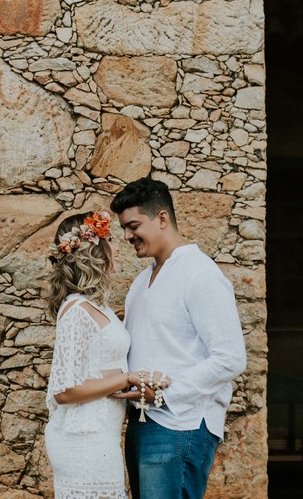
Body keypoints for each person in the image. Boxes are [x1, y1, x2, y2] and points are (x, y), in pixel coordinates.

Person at [109, 178, 247, 499]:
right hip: (143, 422)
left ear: (161, 218)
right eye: (124, 229)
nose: (127, 236)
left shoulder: (201, 274)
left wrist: (164, 396)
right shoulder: (142, 281)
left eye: (133, 226)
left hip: (181, 425)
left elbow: (230, 357)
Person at [43, 210, 167, 499]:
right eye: (109, 239)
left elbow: (100, 367)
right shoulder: (76, 310)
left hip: (100, 436)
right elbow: (64, 390)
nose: (117, 246)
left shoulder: (98, 307)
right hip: (82, 438)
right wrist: (127, 377)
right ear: (92, 250)